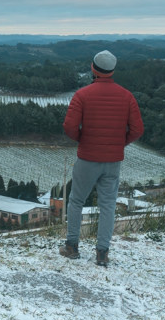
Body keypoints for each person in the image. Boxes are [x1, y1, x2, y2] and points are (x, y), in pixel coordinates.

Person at [60, 50, 144, 266]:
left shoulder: (82, 95)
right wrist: (119, 143)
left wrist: (83, 139)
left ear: (93, 69)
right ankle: (102, 253)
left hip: (87, 157)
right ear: (112, 71)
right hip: (113, 161)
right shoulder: (127, 96)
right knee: (108, 205)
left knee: (77, 200)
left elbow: (69, 126)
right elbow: (137, 129)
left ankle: (72, 247)